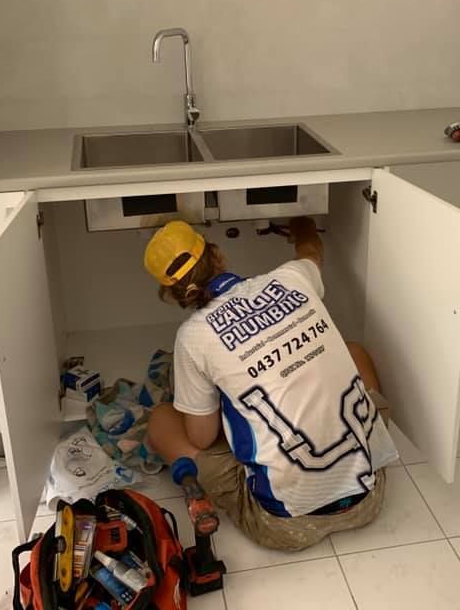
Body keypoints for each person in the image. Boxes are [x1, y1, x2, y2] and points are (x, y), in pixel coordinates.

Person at [145, 217, 398, 550]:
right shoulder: (292, 277)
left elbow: (201, 438)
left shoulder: (193, 337)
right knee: (353, 352)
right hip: (368, 497)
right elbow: (312, 250)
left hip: (284, 525)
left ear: (172, 294)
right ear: (217, 254)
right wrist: (304, 227)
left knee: (162, 420)